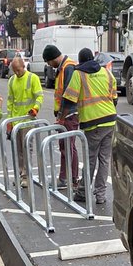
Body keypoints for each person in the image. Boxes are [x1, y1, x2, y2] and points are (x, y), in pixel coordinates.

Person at [60, 46, 117, 207]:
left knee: (90, 159)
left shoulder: (79, 74)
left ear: (80, 61)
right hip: (110, 120)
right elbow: (114, 97)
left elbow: (69, 100)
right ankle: (100, 195)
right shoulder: (106, 72)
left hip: (93, 123)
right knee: (104, 160)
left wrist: (61, 119)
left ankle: (83, 193)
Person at [43, 44, 79, 189]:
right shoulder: (64, 67)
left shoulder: (68, 67)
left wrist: (62, 117)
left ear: (53, 58)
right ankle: (67, 178)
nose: (48, 65)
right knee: (66, 146)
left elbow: (68, 95)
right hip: (66, 114)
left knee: (67, 147)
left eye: (48, 61)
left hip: (69, 114)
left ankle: (70, 179)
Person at [5, 54, 43, 185]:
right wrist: (9, 122)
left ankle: (26, 176)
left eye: (18, 70)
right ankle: (21, 173)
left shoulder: (33, 78)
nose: (16, 72)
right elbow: (10, 102)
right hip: (16, 121)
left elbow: (39, 96)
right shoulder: (11, 81)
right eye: (14, 70)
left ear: (23, 66)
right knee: (18, 151)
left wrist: (35, 108)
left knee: (27, 149)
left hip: (27, 120)